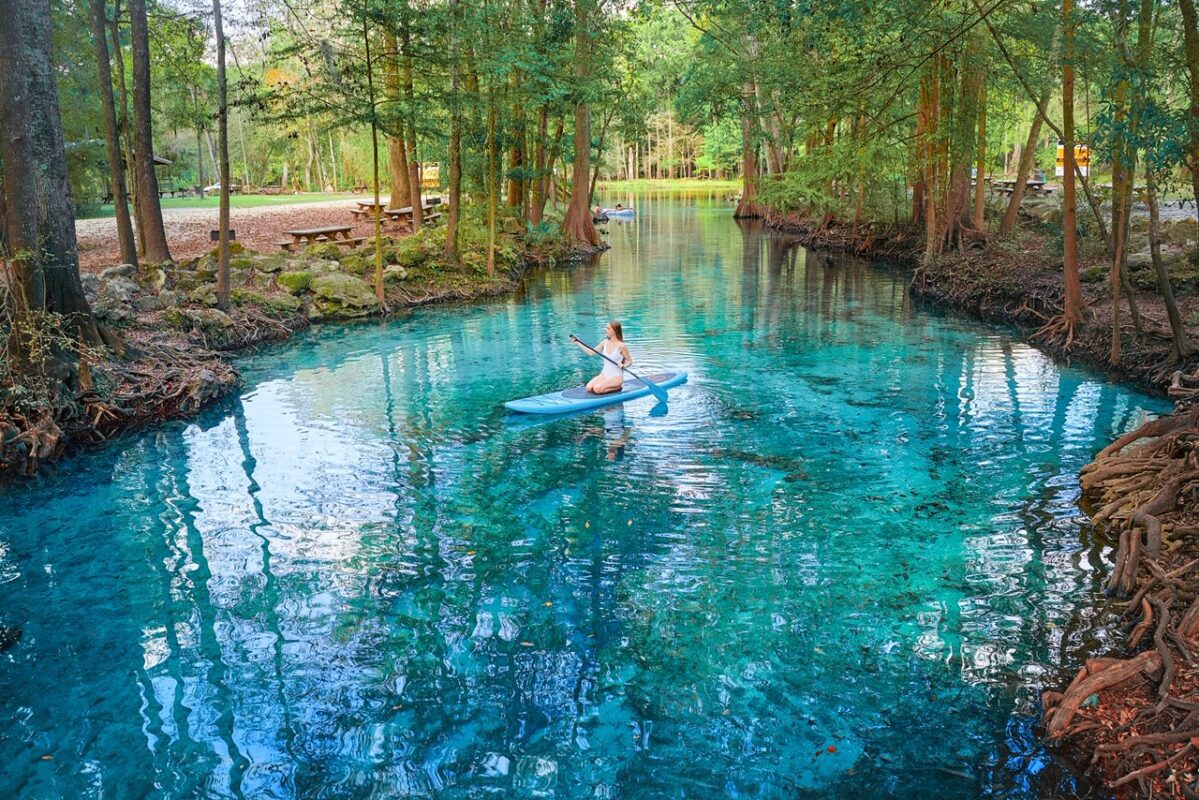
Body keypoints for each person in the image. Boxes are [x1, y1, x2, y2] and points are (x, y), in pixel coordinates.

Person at [572, 321, 632, 395]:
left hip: (616, 377)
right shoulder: (604, 342)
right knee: (589, 388)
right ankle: (608, 385)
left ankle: (618, 387)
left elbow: (629, 361)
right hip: (605, 374)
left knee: (597, 389)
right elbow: (591, 353)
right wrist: (578, 343)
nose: (605, 329)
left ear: (614, 331)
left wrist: (623, 365)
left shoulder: (621, 346)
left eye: (608, 328)